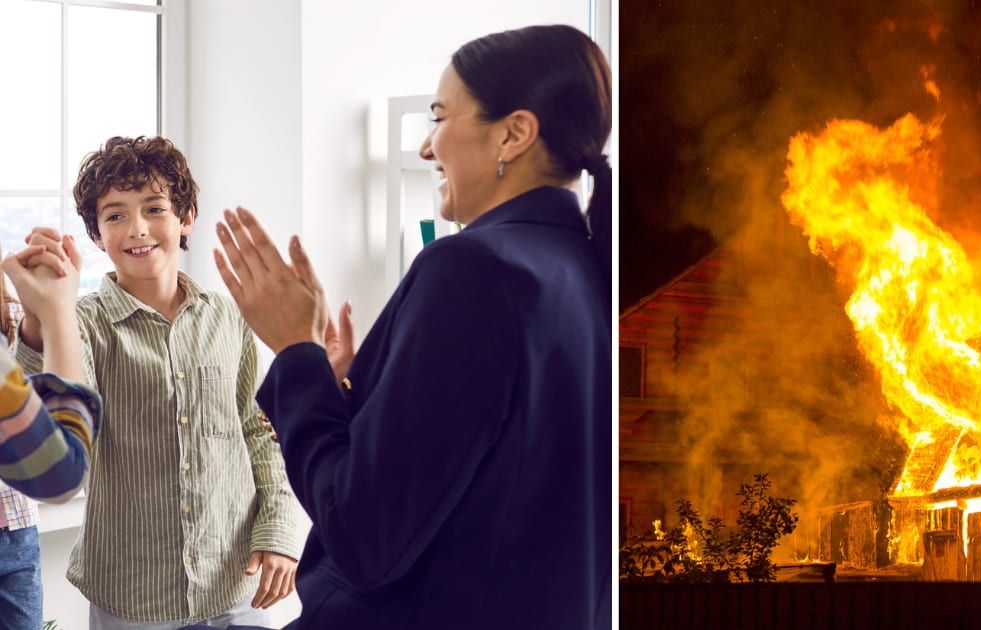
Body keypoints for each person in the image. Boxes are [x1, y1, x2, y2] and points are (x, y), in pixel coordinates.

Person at [208, 24, 611, 628]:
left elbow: (365, 537)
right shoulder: (585, 266)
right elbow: (485, 479)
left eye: (439, 117)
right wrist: (342, 391)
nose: (427, 148)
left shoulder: (473, 268)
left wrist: (295, 352)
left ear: (514, 134)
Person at [14, 136, 303, 628]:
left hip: (234, 583)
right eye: (116, 215)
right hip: (131, 597)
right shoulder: (84, 325)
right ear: (96, 234)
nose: (138, 228)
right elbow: (51, 405)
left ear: (186, 217)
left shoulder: (227, 319)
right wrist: (42, 318)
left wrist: (278, 530)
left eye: (154, 208)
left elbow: (258, 432)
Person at [0, 239, 102, 630]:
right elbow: (60, 470)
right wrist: (58, 311)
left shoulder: (10, 317)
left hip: (14, 530)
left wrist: (37, 318)